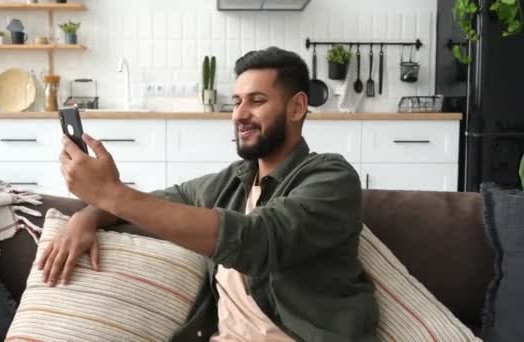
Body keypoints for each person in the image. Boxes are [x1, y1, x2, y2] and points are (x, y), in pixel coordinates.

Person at [39, 47, 379, 341]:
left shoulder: (331, 178)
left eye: (257, 101)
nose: (239, 115)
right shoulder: (230, 182)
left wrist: (110, 193)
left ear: (296, 107)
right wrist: (88, 214)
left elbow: (257, 241)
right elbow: (157, 202)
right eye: (236, 102)